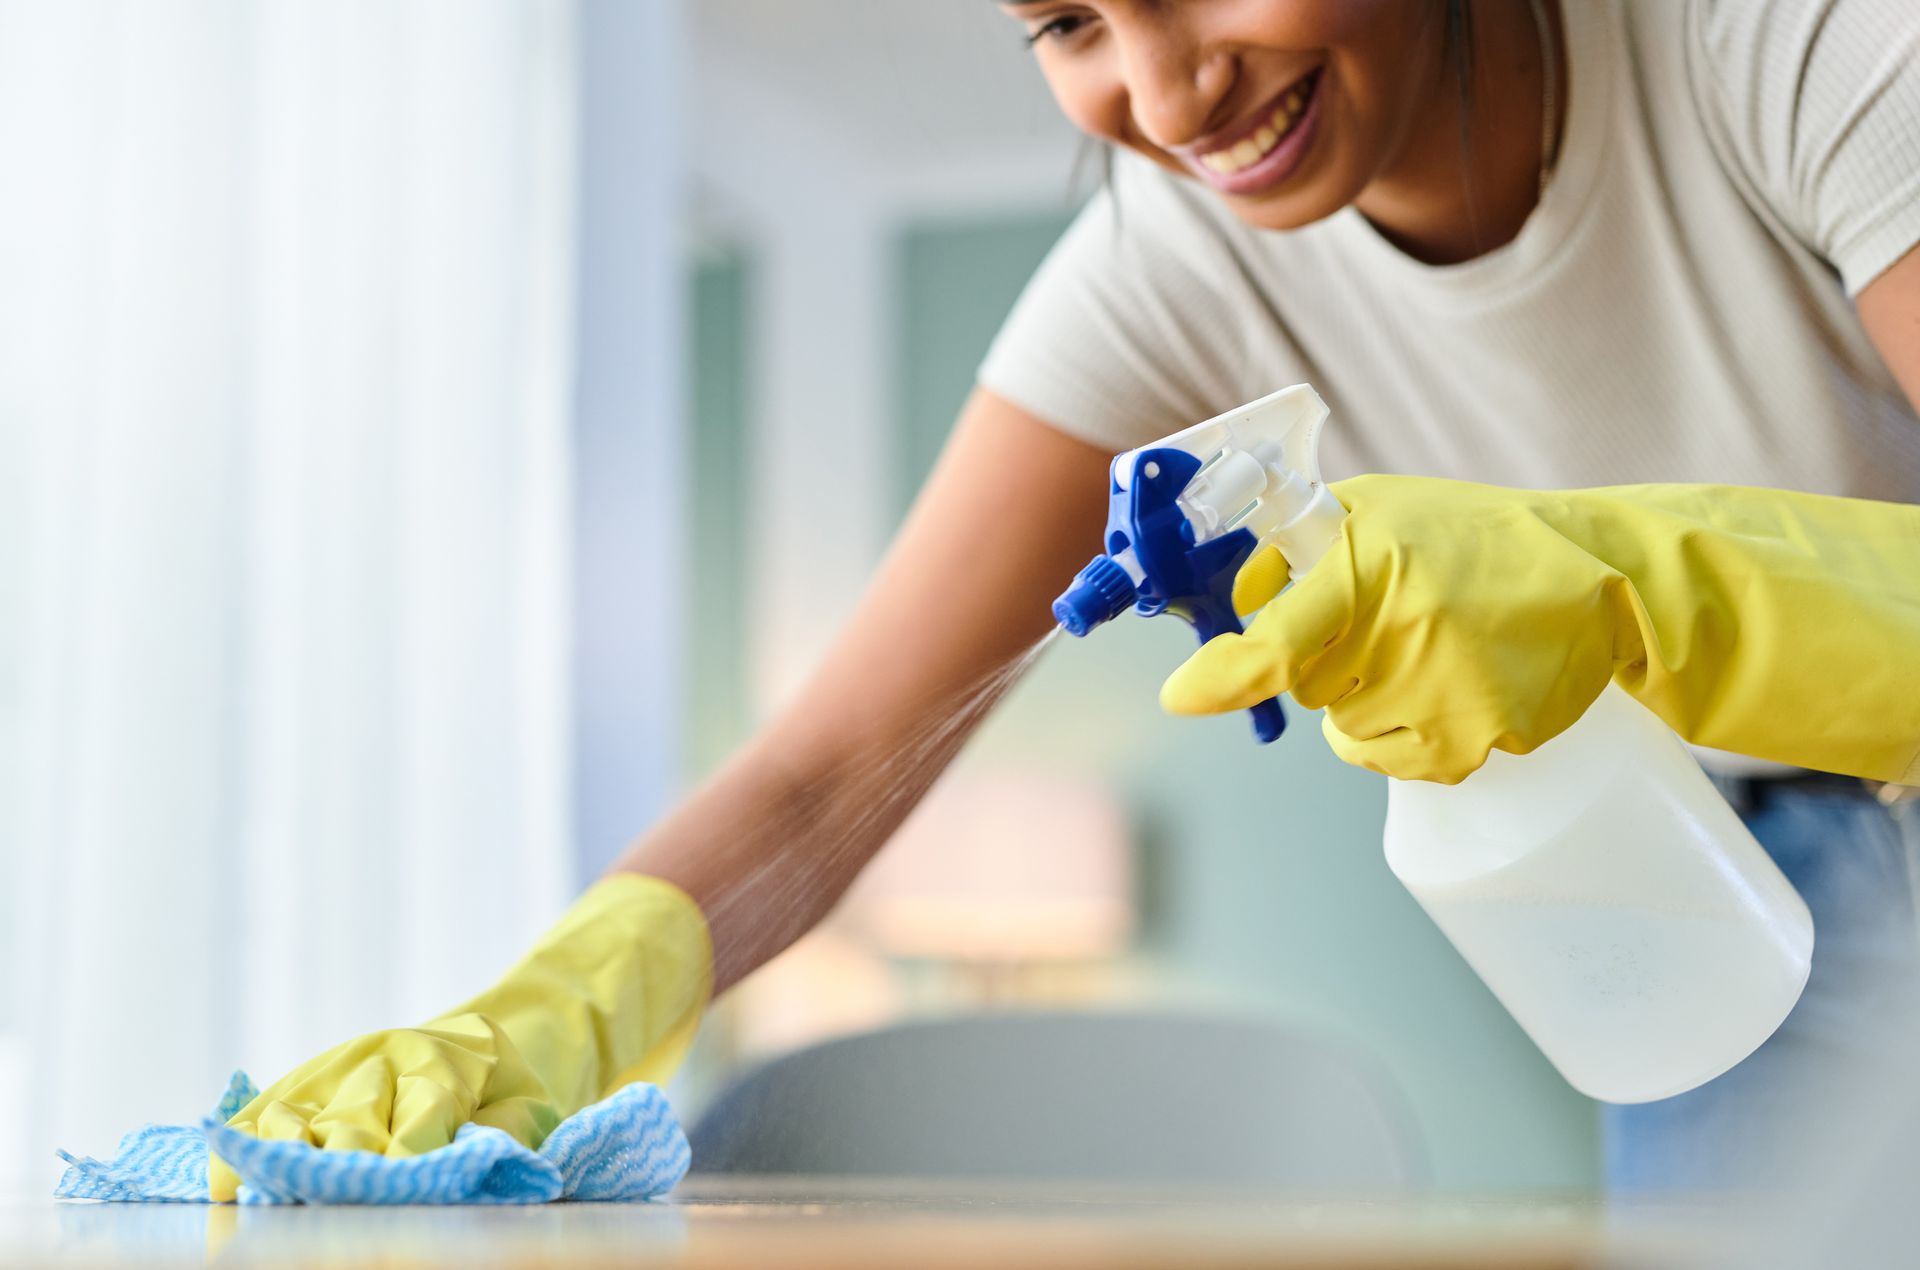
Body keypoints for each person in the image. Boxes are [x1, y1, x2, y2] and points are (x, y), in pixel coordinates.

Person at [210, 0, 1920, 1197]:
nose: (1169, 102)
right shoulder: (1169, 265)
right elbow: (824, 771)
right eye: (1068, 25)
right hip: (1720, 868)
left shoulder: (1775, 42)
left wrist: (1633, 595)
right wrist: (551, 1010)